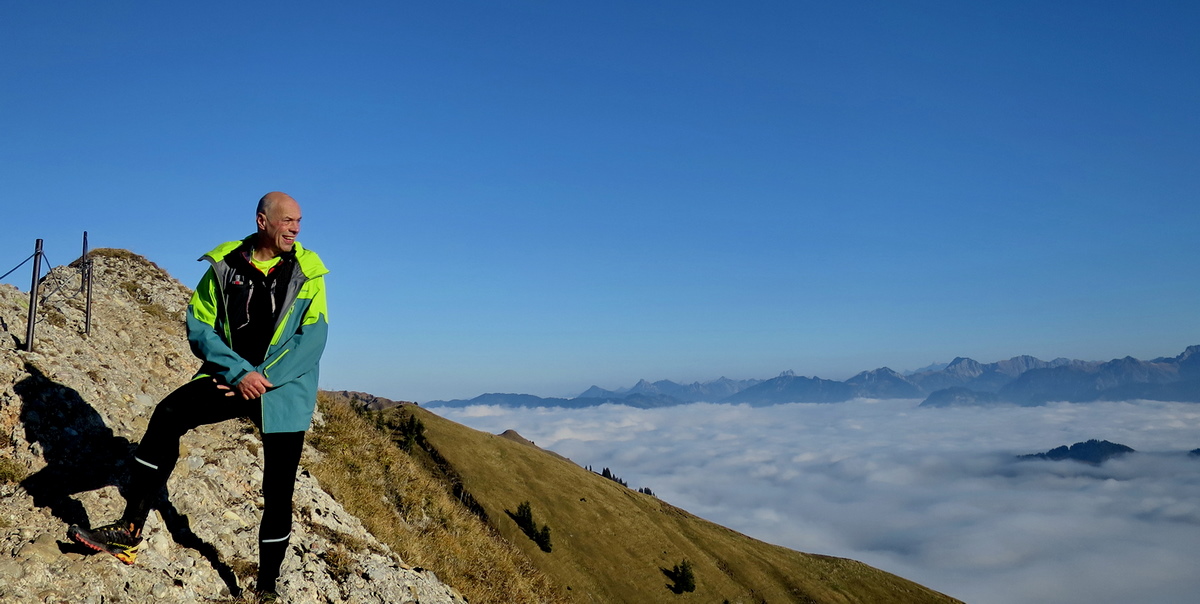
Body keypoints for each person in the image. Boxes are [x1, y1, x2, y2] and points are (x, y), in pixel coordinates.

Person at [68, 191, 329, 600]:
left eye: (299, 222)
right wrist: (240, 373)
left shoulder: (309, 271)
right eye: (287, 221)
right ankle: (129, 529)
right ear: (263, 221)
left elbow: (312, 338)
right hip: (233, 379)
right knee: (167, 414)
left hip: (283, 390)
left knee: (279, 490)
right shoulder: (225, 267)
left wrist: (265, 378)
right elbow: (199, 326)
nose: (295, 228)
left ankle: (266, 589)